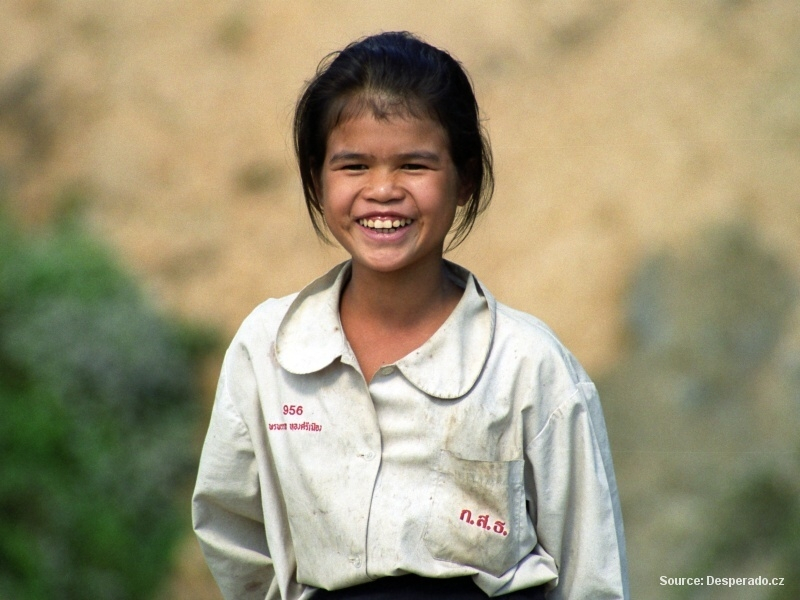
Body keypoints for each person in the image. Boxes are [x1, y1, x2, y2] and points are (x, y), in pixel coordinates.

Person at [192, 31, 628, 600]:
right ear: (316, 177)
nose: (383, 191)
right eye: (352, 165)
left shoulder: (528, 365)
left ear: (465, 178)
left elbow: (589, 574)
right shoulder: (268, 351)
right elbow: (233, 533)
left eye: (414, 164)